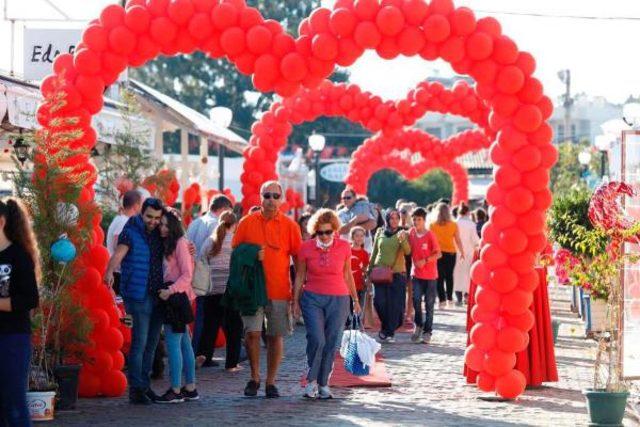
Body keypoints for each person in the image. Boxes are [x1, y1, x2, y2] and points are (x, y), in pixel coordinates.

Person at [232, 181, 302, 398]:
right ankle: (254, 378)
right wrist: (251, 253)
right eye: (267, 195)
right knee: (251, 334)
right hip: (252, 292)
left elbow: (299, 263)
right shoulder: (246, 223)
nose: (271, 199)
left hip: (279, 290)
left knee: (275, 336)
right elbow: (235, 255)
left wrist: (298, 294)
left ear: (281, 199)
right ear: (260, 197)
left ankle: (271, 382)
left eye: (275, 195)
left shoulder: (291, 226)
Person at [293, 209, 360, 399]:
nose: (324, 236)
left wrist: (355, 299)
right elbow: (299, 276)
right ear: (315, 231)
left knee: (331, 342)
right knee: (316, 339)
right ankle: (311, 381)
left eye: (328, 232)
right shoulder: (306, 247)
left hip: (339, 299)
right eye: (320, 232)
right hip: (312, 298)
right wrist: (294, 302)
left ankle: (323, 383)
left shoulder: (344, 247)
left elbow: (348, 274)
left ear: (335, 230)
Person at [105, 198, 165, 405]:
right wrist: (110, 270)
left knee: (152, 342)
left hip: (157, 294)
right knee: (139, 342)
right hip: (137, 294)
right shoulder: (130, 231)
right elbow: (118, 254)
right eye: (149, 216)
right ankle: (136, 389)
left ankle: (145, 386)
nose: (153, 221)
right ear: (141, 212)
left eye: (157, 218)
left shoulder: (159, 232)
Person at [0, 198, 40, 426]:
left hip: (12, 337)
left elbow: (30, 299)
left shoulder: (19, 256)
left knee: (14, 404)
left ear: (1, 222)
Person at [156, 208, 198, 403]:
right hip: (174, 295)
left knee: (174, 344)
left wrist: (170, 291)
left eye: (165, 224)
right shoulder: (170, 243)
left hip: (176, 298)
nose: (162, 228)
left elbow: (187, 275)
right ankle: (190, 387)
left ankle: (175, 389)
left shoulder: (180, 243)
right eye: (160, 224)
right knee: (184, 344)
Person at [187, 195, 233, 361]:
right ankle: (199, 353)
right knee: (207, 318)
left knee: (200, 315)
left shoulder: (195, 222)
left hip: (195, 274)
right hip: (211, 277)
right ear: (223, 209)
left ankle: (195, 352)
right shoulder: (215, 224)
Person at [196, 211, 243, 372]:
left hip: (211, 289)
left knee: (210, 325)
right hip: (230, 290)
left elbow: (201, 260)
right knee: (234, 327)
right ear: (235, 225)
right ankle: (232, 363)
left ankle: (203, 354)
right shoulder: (236, 241)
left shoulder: (211, 241)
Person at [369, 209, 411, 343]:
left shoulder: (402, 233)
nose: (394, 221)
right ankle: (387, 327)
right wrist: (369, 271)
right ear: (387, 219)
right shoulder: (380, 232)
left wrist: (403, 239)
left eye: (396, 218)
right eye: (391, 218)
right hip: (379, 272)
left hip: (397, 273)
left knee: (395, 305)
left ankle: (389, 331)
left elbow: (408, 251)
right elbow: (374, 252)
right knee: (378, 302)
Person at [408, 207, 441, 344]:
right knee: (416, 300)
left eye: (419, 219)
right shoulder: (411, 233)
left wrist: (426, 260)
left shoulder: (430, 235)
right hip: (416, 274)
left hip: (430, 276)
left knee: (429, 304)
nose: (416, 222)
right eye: (414, 219)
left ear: (424, 220)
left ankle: (428, 331)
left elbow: (438, 253)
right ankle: (419, 325)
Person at [106, 190, 142, 295]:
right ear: (135, 206)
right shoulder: (124, 222)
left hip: (118, 272)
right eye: (141, 204)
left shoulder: (120, 219)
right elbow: (119, 247)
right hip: (118, 274)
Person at [430, 203, 466, 308]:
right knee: (449, 276)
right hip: (451, 253)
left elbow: (430, 241)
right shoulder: (453, 225)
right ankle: (450, 299)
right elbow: (458, 240)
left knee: (439, 277)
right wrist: (462, 251)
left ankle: (442, 301)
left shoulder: (432, 225)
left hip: (437, 253)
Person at [453, 203, 480, 305]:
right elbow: (475, 239)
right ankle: (466, 296)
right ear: (468, 212)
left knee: (456, 274)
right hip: (469, 252)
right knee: (467, 274)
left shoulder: (454, 223)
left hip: (456, 252)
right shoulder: (471, 225)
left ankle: (458, 296)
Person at [337, 187, 377, 252]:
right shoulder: (339, 214)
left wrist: (351, 227)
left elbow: (373, 224)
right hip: (347, 251)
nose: (346, 200)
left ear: (355, 198)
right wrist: (356, 220)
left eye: (348, 197)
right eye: (344, 198)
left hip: (366, 250)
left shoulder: (363, 208)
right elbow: (341, 230)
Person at [349, 226, 369, 319]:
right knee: (347, 309)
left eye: (362, 236)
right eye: (357, 236)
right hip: (347, 286)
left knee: (357, 310)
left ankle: (355, 329)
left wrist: (367, 281)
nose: (359, 238)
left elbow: (365, 269)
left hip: (359, 285)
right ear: (352, 237)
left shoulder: (365, 254)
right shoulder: (347, 251)